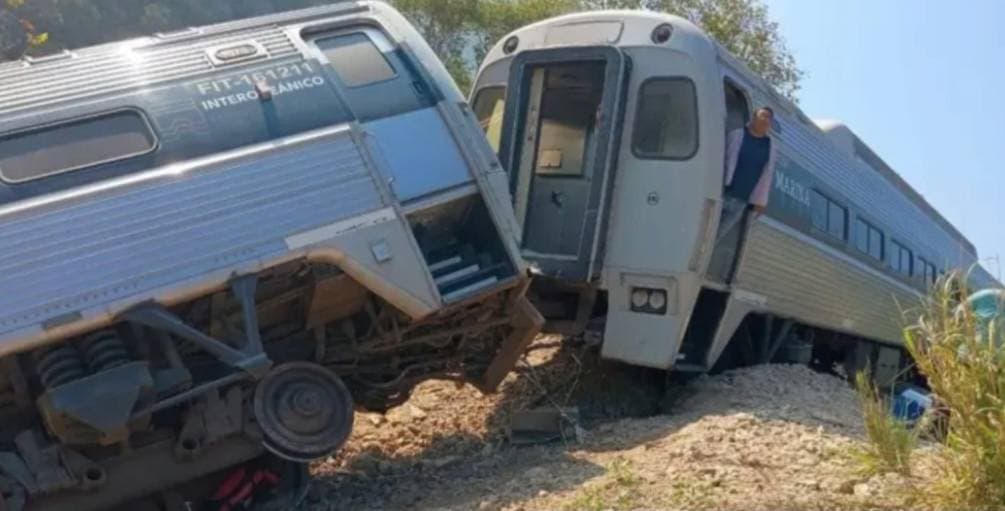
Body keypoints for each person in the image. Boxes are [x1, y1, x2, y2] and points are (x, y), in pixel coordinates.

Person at [716, 106, 779, 243]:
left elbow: (767, 176)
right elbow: (723, 158)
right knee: (706, 229)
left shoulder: (770, 146)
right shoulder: (737, 135)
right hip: (721, 192)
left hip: (741, 201)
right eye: (763, 115)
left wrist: (761, 201)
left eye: (769, 118)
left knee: (717, 236)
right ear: (754, 117)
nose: (766, 120)